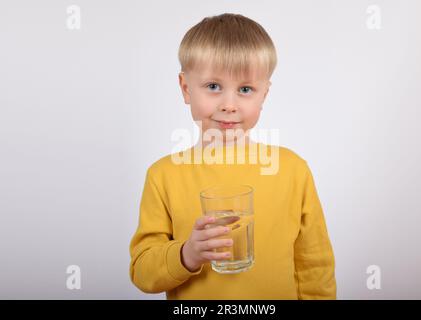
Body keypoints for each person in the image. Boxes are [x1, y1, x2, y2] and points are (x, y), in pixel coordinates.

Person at [129, 13, 336, 299]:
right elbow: (142, 272)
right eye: (213, 86)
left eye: (245, 89)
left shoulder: (293, 170)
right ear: (186, 88)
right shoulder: (163, 175)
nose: (229, 105)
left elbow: (314, 265)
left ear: (264, 95)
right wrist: (187, 254)